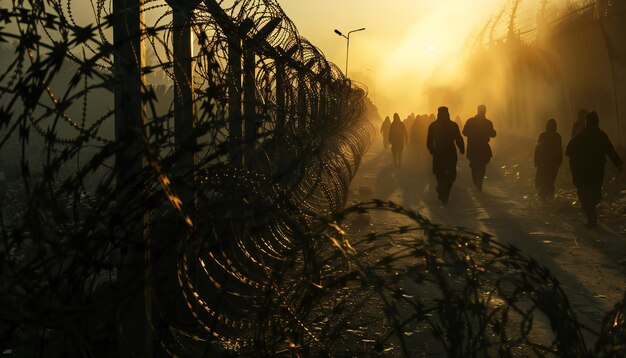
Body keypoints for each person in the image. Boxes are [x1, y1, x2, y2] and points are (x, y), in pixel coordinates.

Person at [565, 111, 623, 226]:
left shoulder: (581, 136)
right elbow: (610, 150)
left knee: (586, 191)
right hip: (597, 169)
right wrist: (618, 163)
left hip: (584, 170)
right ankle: (591, 214)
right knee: (595, 191)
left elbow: (568, 151)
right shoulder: (601, 135)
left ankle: (590, 213)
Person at [427, 106, 465, 204]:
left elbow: (429, 142)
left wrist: (432, 150)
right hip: (450, 154)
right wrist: (461, 148)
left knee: (440, 174)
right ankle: (445, 194)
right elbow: (458, 138)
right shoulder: (453, 125)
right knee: (451, 175)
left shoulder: (433, 125)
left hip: (438, 154)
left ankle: (441, 189)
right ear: (448, 113)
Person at [462, 105, 496, 192]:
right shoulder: (487, 122)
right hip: (481, 147)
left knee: (477, 166)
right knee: (480, 165)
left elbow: (464, 132)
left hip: (474, 147)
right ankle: (478, 182)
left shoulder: (471, 121)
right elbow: (493, 133)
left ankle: (477, 182)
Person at [534, 119, 562, 200]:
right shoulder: (557, 136)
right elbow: (538, 148)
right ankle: (547, 197)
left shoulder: (543, 136)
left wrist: (536, 161)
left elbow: (537, 149)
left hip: (547, 163)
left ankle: (544, 197)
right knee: (548, 181)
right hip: (549, 164)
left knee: (545, 181)